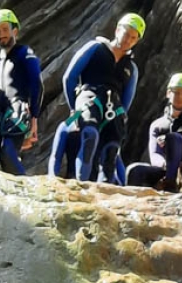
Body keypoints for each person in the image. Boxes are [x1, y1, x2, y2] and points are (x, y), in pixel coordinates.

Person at [52, 12, 146, 183]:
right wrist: (74, 109)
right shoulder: (95, 48)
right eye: (126, 34)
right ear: (118, 30)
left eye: (133, 38)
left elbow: (127, 99)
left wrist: (120, 117)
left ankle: (106, 191)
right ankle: (82, 184)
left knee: (111, 149)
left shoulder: (131, 67)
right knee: (90, 133)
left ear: (137, 41)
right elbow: (70, 77)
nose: (127, 40)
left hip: (114, 106)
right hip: (89, 95)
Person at [126, 73, 182, 190]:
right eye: (176, 92)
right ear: (168, 93)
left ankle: (170, 185)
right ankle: (132, 201)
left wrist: (181, 144)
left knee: (173, 138)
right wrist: (164, 164)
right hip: (165, 168)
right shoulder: (157, 125)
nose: (180, 96)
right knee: (134, 170)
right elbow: (155, 153)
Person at [0, 8, 44, 176]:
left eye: (5, 29)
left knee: (7, 151)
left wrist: (34, 117)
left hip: (19, 110)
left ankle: (27, 190)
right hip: (2, 115)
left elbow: (37, 83)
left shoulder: (24, 53)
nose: (1, 34)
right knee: (1, 155)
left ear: (15, 31)